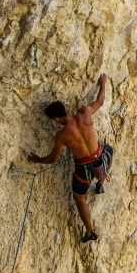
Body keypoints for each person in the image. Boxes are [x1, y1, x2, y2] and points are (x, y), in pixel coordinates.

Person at [29, 73, 114, 243]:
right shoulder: (85, 113)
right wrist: (103, 84)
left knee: (79, 198)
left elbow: (53, 159)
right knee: (109, 149)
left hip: (83, 169)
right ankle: (100, 184)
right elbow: (100, 101)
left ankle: (90, 231)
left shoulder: (62, 135)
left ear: (55, 118)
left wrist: (38, 159)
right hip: (101, 158)